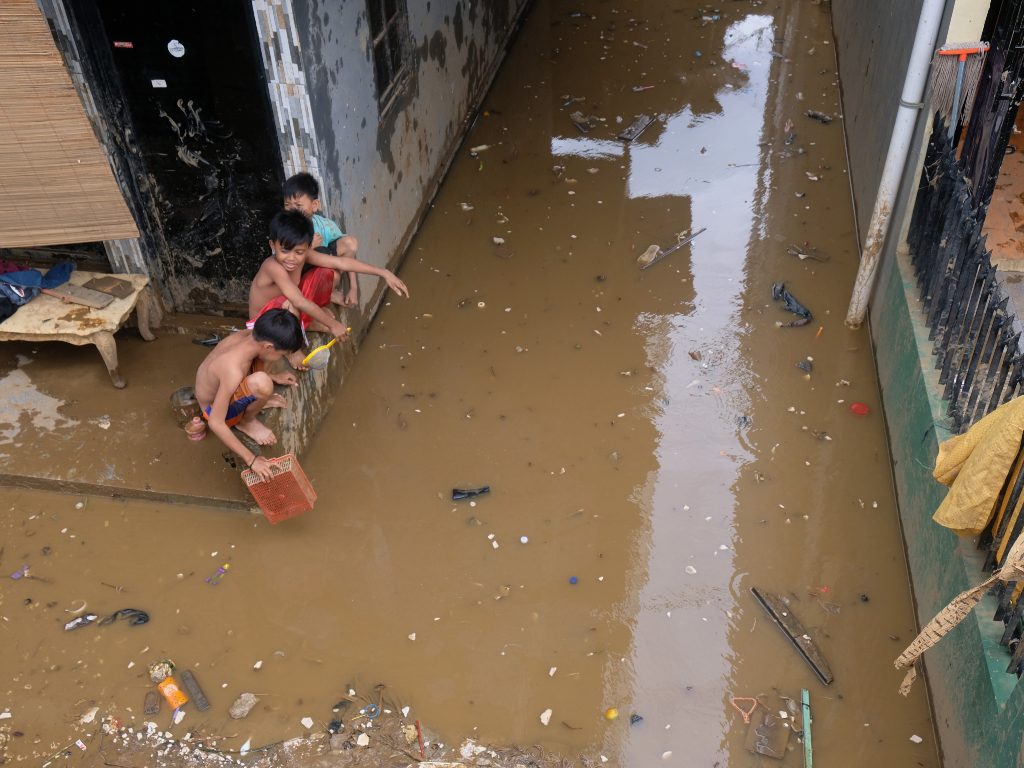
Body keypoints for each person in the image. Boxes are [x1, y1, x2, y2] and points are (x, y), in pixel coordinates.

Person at [249, 209, 409, 370]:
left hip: (284, 308)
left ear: (308, 246)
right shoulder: (272, 266)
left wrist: (383, 272)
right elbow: (299, 301)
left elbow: (341, 263)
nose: (292, 258)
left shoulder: (303, 255)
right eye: (285, 251)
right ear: (272, 245)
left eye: (299, 252)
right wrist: (333, 325)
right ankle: (292, 350)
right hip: (263, 323)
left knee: (324, 272)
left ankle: (308, 323)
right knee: (292, 304)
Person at [195, 308, 303, 481]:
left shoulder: (252, 336)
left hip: (229, 386)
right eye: (283, 354)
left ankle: (258, 396)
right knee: (262, 383)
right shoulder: (233, 370)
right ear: (268, 346)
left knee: (266, 369)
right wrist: (251, 460)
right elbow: (216, 422)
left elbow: (264, 355)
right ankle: (246, 422)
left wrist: (274, 376)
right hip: (213, 408)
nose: (282, 357)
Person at [283, 171, 361, 308]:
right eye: (288, 205)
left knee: (350, 243)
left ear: (314, 205)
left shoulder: (325, 226)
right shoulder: (284, 230)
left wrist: (353, 288)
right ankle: (318, 298)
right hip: (296, 280)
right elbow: (282, 265)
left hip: (322, 274)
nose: (292, 210)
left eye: (298, 205)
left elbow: (348, 258)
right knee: (322, 252)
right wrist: (309, 247)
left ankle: (327, 293)